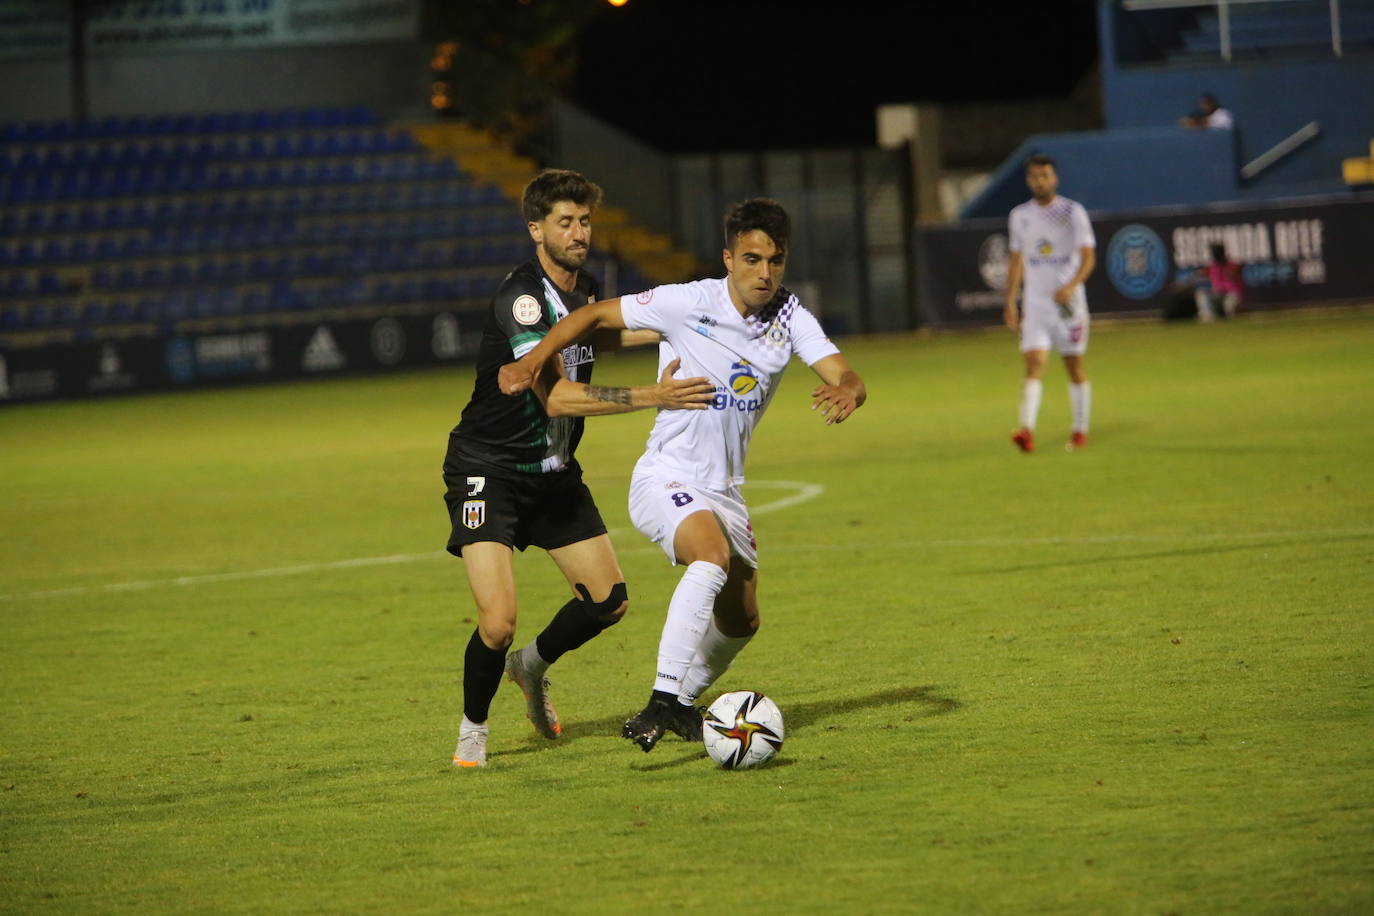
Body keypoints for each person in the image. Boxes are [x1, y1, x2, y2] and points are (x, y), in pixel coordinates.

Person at [499, 198, 867, 752]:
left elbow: (845, 372)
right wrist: (534, 361)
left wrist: (848, 390)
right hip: (665, 476)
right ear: (728, 258)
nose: (764, 272)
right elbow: (593, 316)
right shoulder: (687, 302)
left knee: (742, 621)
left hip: (725, 490)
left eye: (776, 260)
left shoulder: (791, 318)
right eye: (752, 259)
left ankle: (669, 698)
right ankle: (663, 701)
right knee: (709, 556)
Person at [444, 168, 715, 768]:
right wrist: (655, 395)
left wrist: (686, 328)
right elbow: (559, 397)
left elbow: (598, 342)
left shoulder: (587, 290)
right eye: (565, 222)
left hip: (554, 473)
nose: (579, 232)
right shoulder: (520, 298)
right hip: (488, 470)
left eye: (585, 221)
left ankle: (531, 669)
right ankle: (473, 730)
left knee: (608, 601)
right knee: (497, 620)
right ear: (535, 228)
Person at [1003, 154, 1097, 453]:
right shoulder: (1019, 215)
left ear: (1054, 178)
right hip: (1036, 304)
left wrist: (1071, 285)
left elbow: (1089, 257)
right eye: (1034, 176)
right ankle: (1026, 430)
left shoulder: (1072, 212)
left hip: (1069, 306)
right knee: (1034, 363)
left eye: (1044, 175)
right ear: (1028, 180)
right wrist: (1009, 300)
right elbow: (1016, 261)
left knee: (1073, 367)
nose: (1039, 181)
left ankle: (1080, 430)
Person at [1194, 243, 1244, 321]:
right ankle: (1208, 317)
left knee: (1230, 307)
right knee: (1201, 293)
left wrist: (1229, 272)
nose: (1215, 255)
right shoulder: (1212, 266)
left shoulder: (1232, 265)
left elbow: (1239, 277)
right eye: (1214, 253)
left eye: (1217, 253)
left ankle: (1232, 313)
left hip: (1231, 293)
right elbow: (1197, 275)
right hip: (1217, 294)